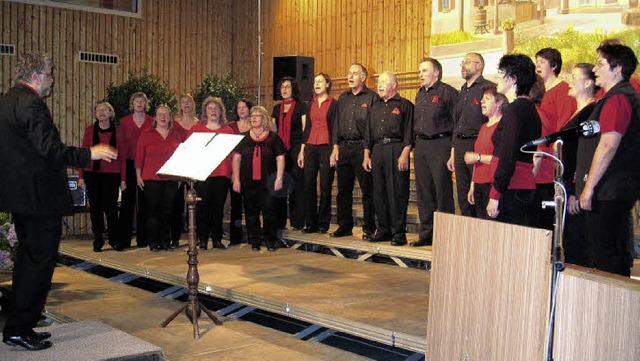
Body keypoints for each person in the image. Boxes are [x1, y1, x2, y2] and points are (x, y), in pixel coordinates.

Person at [0, 52, 117, 351]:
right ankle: (19, 327)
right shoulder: (32, 104)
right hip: (39, 197)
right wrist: (89, 153)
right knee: (39, 261)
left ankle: (21, 323)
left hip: (22, 196)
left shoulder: (8, 100)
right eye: (50, 73)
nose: (52, 79)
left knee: (29, 259)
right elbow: (50, 150)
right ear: (37, 75)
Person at [575, 44, 640, 277]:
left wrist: (588, 188)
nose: (595, 69)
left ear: (618, 68)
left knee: (608, 259)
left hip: (609, 191)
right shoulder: (615, 97)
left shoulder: (619, 98)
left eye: (601, 64)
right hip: (611, 190)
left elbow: (608, 144)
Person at [487, 54, 542, 226]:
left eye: (501, 73)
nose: (498, 78)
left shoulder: (515, 109)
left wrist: (495, 194)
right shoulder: (529, 108)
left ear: (513, 79)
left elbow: (508, 154)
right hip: (523, 186)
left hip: (512, 187)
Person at [411, 57, 458, 247]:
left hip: (440, 144)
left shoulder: (448, 92)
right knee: (424, 192)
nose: (420, 74)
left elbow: (457, 123)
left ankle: (446, 236)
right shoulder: (420, 94)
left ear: (436, 73)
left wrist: (453, 150)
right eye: (419, 71)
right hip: (421, 145)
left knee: (442, 191)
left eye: (424, 70)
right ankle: (426, 234)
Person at [363, 72, 413, 246]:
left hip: (396, 149)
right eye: (379, 82)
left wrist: (405, 153)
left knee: (397, 192)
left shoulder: (405, 105)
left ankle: (398, 233)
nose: (379, 85)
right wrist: (366, 154)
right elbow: (368, 133)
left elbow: (409, 133)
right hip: (377, 150)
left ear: (394, 85)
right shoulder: (374, 107)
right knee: (379, 192)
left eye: (384, 82)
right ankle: (383, 229)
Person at [330, 63, 378, 240]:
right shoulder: (343, 98)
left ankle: (369, 228)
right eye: (349, 73)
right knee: (343, 190)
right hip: (344, 148)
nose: (350, 76)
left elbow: (372, 128)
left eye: (354, 73)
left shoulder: (372, 98)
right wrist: (335, 146)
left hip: (362, 148)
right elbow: (336, 124)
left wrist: (367, 151)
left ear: (364, 77)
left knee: (367, 191)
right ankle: (344, 226)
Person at [533, 48, 577, 230]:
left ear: (554, 65)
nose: (538, 66)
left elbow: (563, 126)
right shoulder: (539, 91)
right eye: (537, 61)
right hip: (538, 153)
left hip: (551, 156)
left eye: (542, 62)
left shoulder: (562, 89)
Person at [232, 106, 286, 252]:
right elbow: (236, 159)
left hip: (267, 182)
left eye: (257, 115)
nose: (254, 118)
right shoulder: (243, 138)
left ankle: (270, 241)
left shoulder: (273, 137)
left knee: (269, 211)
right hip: (248, 181)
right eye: (252, 116)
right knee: (251, 211)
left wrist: (279, 178)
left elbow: (280, 158)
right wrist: (236, 179)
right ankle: (254, 240)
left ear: (264, 118)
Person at [560, 63, 598, 267]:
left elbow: (584, 155)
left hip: (576, 187)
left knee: (578, 246)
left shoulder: (591, 112)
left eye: (574, 76)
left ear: (588, 82)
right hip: (568, 186)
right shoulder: (578, 111)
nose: (569, 80)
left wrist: (575, 190)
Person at [78, 101, 127, 252]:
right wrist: (81, 176)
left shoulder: (118, 131)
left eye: (105, 110)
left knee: (111, 208)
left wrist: (123, 179)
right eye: (99, 110)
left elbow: (123, 157)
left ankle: (114, 239)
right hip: (92, 174)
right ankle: (98, 240)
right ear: (95, 114)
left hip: (112, 175)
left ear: (111, 114)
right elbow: (83, 153)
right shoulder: (89, 130)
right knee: (95, 209)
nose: (102, 112)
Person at [451, 53, 495, 217]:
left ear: (479, 66)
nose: (463, 65)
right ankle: (467, 232)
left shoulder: (488, 88)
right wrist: (453, 152)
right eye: (462, 62)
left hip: (478, 145)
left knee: (478, 191)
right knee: (463, 193)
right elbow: (457, 124)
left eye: (467, 62)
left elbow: (494, 120)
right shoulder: (461, 91)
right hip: (460, 145)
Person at [135, 104, 183, 251]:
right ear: (155, 117)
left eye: (166, 114)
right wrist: (138, 176)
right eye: (160, 114)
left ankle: (165, 241)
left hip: (171, 179)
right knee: (153, 212)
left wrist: (180, 177)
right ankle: (153, 242)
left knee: (168, 211)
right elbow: (139, 157)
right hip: (151, 178)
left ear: (170, 118)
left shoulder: (176, 136)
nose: (162, 117)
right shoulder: (146, 133)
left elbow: (180, 158)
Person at [188, 97, 233, 250]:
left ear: (221, 112)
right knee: (202, 208)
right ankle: (202, 240)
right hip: (203, 173)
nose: (213, 111)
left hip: (222, 174)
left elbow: (233, 155)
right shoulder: (196, 129)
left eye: (216, 108)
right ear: (205, 112)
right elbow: (189, 152)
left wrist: (233, 174)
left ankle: (217, 239)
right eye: (210, 108)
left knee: (218, 208)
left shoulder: (228, 131)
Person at [298, 73, 337, 234]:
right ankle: (310, 222)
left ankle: (323, 223)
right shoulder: (310, 104)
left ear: (328, 84)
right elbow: (306, 129)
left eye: (320, 81)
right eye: (315, 81)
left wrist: (335, 148)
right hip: (310, 147)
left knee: (325, 185)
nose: (317, 84)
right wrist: (302, 151)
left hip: (326, 146)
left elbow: (336, 127)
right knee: (308, 185)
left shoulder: (334, 103)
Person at [463, 85, 507, 219]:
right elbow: (477, 159)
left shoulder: (503, 126)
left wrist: (478, 157)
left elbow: (500, 158)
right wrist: (472, 185)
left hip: (492, 183)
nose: (482, 102)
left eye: (487, 99)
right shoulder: (483, 127)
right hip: (479, 184)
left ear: (499, 103)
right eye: (482, 99)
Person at [118, 92, 153, 248]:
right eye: (136, 101)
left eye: (142, 101)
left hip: (147, 166)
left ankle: (143, 240)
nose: (139, 103)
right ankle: (124, 240)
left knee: (145, 203)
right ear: (132, 104)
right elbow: (121, 148)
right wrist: (123, 176)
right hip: (129, 165)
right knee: (127, 202)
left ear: (146, 104)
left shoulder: (152, 121)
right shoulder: (124, 122)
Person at [272, 77, 306, 231]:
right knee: (280, 185)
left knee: (296, 186)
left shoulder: (301, 106)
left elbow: (305, 130)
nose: (284, 89)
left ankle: (297, 222)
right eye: (282, 87)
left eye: (288, 86)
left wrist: (302, 152)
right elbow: (273, 130)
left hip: (296, 149)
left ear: (294, 89)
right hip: (280, 151)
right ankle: (279, 222)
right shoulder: (276, 108)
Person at [168, 93, 198, 249]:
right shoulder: (174, 124)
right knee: (176, 205)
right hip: (178, 166)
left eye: (189, 101)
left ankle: (196, 236)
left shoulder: (198, 123)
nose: (186, 104)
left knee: (196, 203)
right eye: (183, 102)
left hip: (194, 166)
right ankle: (175, 238)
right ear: (179, 106)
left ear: (193, 104)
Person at [226, 98, 253, 245]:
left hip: (250, 170)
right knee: (235, 206)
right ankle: (235, 239)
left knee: (250, 205)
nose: (242, 110)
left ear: (249, 109)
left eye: (244, 107)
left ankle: (252, 237)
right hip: (234, 170)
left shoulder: (255, 126)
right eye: (239, 107)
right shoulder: (230, 127)